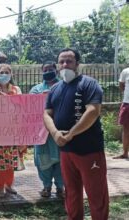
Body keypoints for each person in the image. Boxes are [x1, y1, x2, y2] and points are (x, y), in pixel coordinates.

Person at [43, 48, 109, 220]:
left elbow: (93, 111)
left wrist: (71, 134)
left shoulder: (89, 84)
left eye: (69, 61)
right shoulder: (55, 88)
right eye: (62, 61)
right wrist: (55, 133)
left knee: (96, 194)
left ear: (77, 64)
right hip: (66, 151)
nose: (65, 64)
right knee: (71, 192)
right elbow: (46, 113)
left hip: (89, 150)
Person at [0, 64, 23, 198]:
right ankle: (0, 187)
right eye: (1, 72)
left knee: (10, 159)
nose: (4, 75)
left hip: (12, 131)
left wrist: (6, 97)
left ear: (11, 74)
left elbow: (20, 107)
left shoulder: (16, 90)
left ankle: (9, 184)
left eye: (6, 72)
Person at [29, 61, 64, 198]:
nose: (48, 71)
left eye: (51, 69)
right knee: (43, 161)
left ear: (56, 70)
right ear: (41, 71)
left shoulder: (64, 87)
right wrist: (39, 99)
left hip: (59, 131)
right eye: (45, 69)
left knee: (61, 160)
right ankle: (46, 187)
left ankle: (61, 188)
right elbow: (28, 109)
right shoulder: (36, 90)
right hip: (41, 133)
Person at [113, 66, 129, 159]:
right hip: (127, 103)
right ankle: (125, 153)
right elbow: (121, 85)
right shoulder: (126, 71)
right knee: (126, 129)